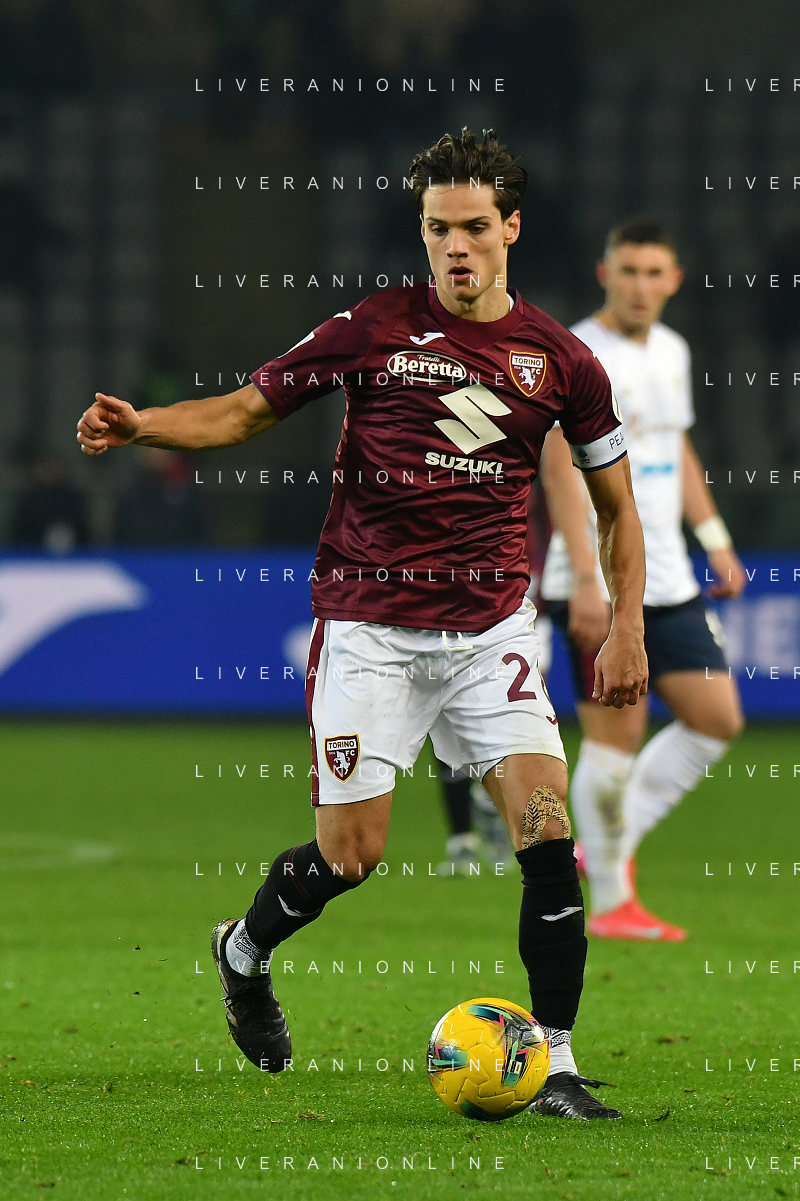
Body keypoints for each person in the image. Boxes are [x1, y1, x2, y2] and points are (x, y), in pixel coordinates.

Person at [77, 129, 648, 1120]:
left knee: (545, 832)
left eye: (474, 228)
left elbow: (616, 506)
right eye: (438, 229)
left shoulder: (562, 361)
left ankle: (555, 1061)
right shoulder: (372, 328)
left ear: (511, 228)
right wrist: (145, 426)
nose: (456, 247)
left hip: (492, 632)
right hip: (370, 629)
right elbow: (245, 411)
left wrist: (625, 622)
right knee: (350, 855)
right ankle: (242, 951)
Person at [539, 218, 746, 942]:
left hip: (670, 576)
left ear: (674, 281)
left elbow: (674, 445)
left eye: (654, 273)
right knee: (614, 745)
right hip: (599, 580)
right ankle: (613, 902)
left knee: (717, 719)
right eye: (628, 270)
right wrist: (585, 579)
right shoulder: (576, 353)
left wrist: (713, 537)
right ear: (605, 274)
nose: (640, 286)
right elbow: (560, 470)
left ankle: (602, 845)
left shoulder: (672, 350)